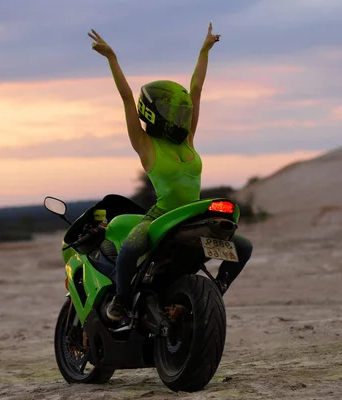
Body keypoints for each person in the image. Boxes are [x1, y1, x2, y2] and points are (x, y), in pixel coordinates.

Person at [87, 24, 253, 321]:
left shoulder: (188, 138)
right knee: (130, 248)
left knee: (243, 246)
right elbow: (126, 98)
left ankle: (217, 289)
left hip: (193, 216)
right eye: (173, 113)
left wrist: (204, 51)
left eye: (182, 112)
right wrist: (111, 58)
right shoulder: (146, 145)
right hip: (160, 216)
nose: (181, 117)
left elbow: (197, 91)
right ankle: (123, 302)